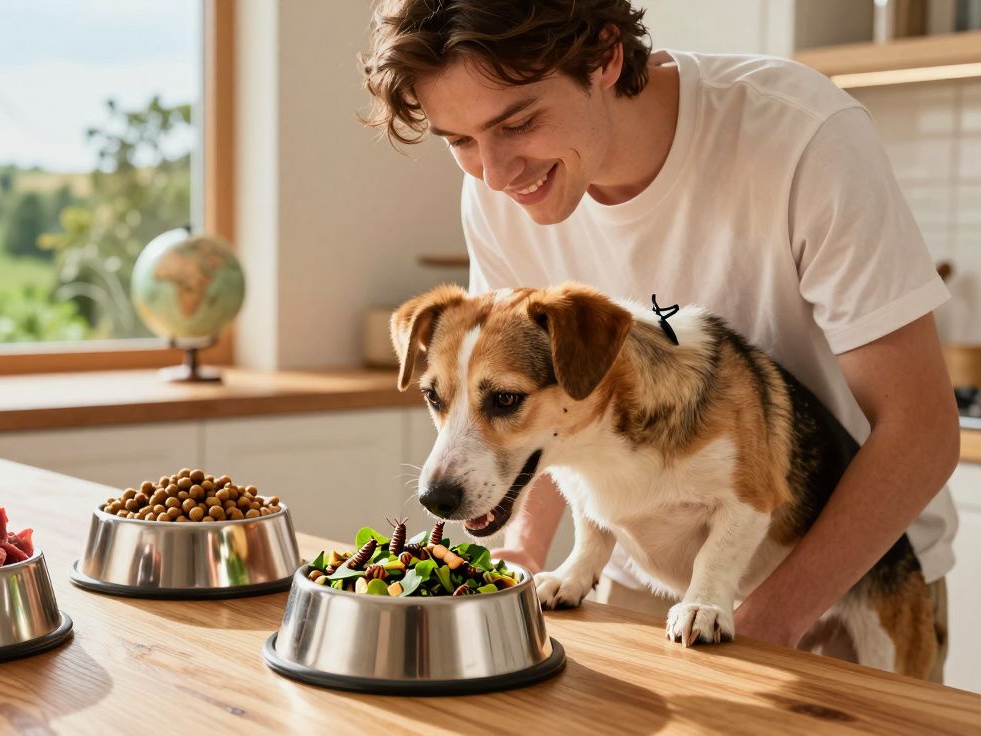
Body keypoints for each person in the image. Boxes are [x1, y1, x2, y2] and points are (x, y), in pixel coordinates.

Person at [361, 0, 958, 680]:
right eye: (459, 141)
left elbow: (922, 430)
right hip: (636, 573)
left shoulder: (801, 136)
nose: (495, 175)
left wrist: (763, 625)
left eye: (519, 122)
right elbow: (550, 403)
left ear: (607, 56)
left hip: (852, 569)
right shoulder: (501, 195)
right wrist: (523, 553)